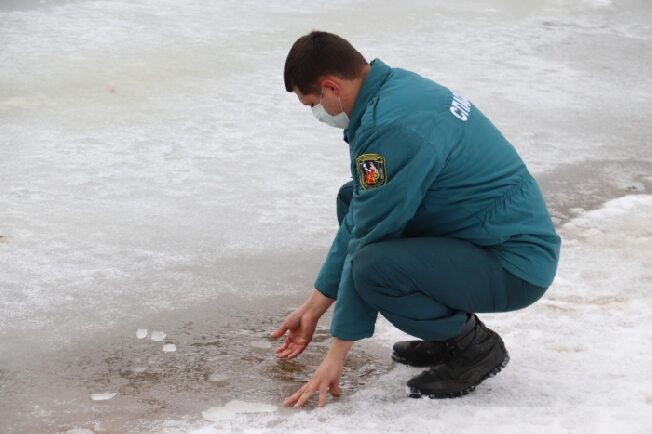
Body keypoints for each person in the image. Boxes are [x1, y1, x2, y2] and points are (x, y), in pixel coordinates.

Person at [270, 30, 561, 408]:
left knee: (373, 267)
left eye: (312, 104)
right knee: (353, 197)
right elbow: (363, 211)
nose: (317, 114)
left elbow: (369, 238)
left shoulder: (391, 128)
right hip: (490, 234)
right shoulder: (396, 87)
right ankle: (444, 334)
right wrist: (314, 306)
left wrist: (336, 354)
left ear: (330, 88)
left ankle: (472, 346)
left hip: (514, 264)